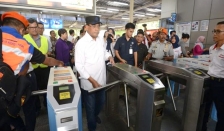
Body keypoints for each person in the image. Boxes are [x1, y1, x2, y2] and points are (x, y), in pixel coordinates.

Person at [0, 11, 63, 131]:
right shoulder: (23, 44)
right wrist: (59, 63)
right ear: (21, 30)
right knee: (28, 109)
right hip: (17, 84)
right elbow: (47, 60)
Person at [75, 16, 114, 131]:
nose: (96, 29)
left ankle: (95, 116)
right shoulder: (81, 44)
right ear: (86, 27)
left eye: (98, 26)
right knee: (90, 109)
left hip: (101, 81)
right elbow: (79, 65)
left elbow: (104, 52)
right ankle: (92, 127)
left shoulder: (100, 40)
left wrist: (110, 56)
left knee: (100, 103)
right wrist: (92, 81)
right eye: (93, 26)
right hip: (89, 84)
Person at [24, 18, 51, 112]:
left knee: (46, 88)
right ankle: (37, 108)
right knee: (34, 90)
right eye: (31, 27)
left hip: (44, 68)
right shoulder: (24, 39)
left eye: (36, 27)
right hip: (31, 69)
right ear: (27, 29)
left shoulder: (45, 39)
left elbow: (48, 51)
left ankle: (47, 105)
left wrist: (47, 54)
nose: (34, 29)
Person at [207, 21, 224, 131]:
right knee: (204, 110)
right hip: (209, 82)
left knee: (221, 114)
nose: (214, 34)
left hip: (221, 85)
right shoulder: (211, 48)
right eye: (214, 31)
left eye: (218, 31)